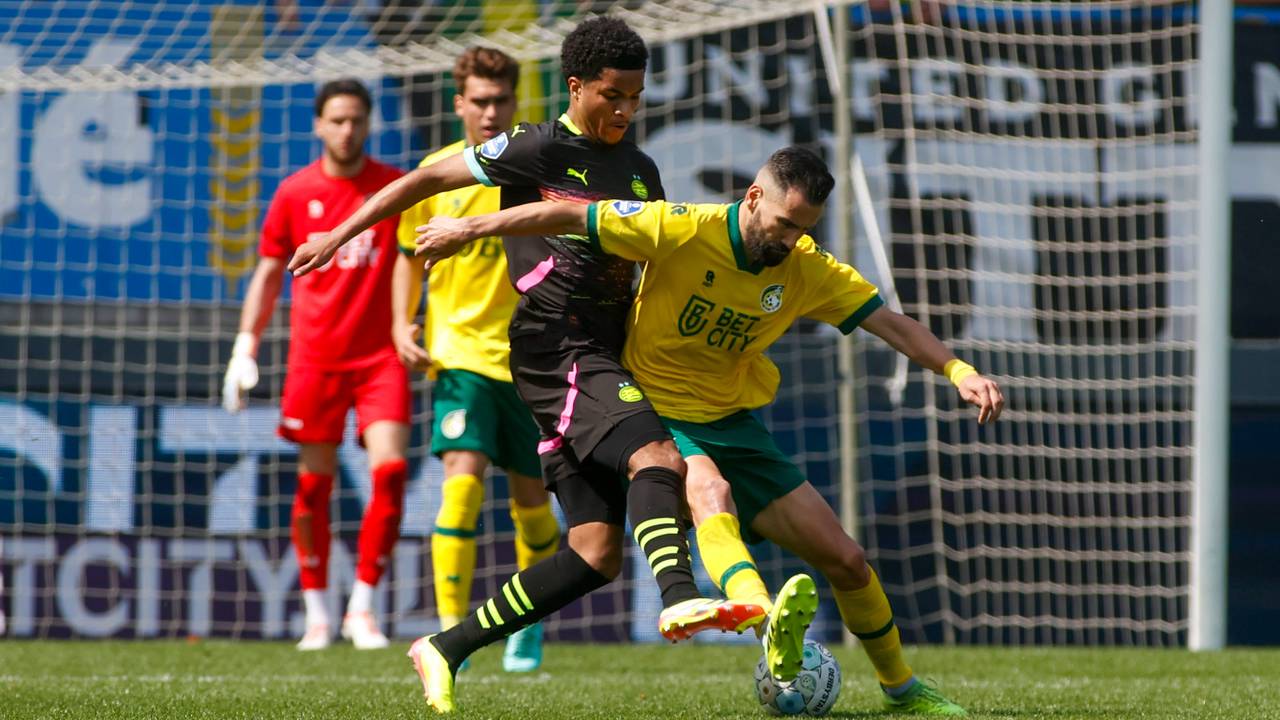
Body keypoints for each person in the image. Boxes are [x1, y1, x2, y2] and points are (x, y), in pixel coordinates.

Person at [288, 19, 777, 714]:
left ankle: (444, 647)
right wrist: (338, 235)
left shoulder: (641, 169)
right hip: (556, 343)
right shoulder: (535, 147)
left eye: (635, 98)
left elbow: (655, 264)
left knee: (593, 553)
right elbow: (424, 179)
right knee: (659, 457)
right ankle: (680, 597)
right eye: (612, 95)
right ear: (576, 87)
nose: (625, 110)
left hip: (606, 349)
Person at [414, 146, 1006, 715]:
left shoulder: (806, 268)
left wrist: (959, 371)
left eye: (804, 228)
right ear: (753, 198)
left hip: (734, 424)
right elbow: (572, 214)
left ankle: (902, 689)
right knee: (706, 490)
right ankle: (759, 613)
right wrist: (470, 228)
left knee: (847, 560)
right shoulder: (682, 227)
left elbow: (889, 322)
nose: (791, 239)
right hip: (650, 412)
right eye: (784, 223)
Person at [222, 79, 409, 652]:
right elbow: (267, 273)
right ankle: (317, 614)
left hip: (379, 359)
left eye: (356, 120)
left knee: (391, 473)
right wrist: (244, 347)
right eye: (337, 120)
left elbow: (413, 261)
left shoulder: (393, 188)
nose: (347, 130)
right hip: (316, 359)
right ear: (318, 125)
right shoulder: (294, 192)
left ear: (369, 123)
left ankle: (363, 609)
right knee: (313, 486)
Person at [391, 46, 560, 673]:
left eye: (500, 101)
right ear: (459, 103)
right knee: (460, 482)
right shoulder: (436, 176)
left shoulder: (538, 174)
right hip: (458, 355)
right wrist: (401, 322)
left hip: (529, 358)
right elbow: (407, 257)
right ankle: (446, 636)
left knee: (532, 503)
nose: (490, 113)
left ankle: (527, 626)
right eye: (479, 101)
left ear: (515, 102)